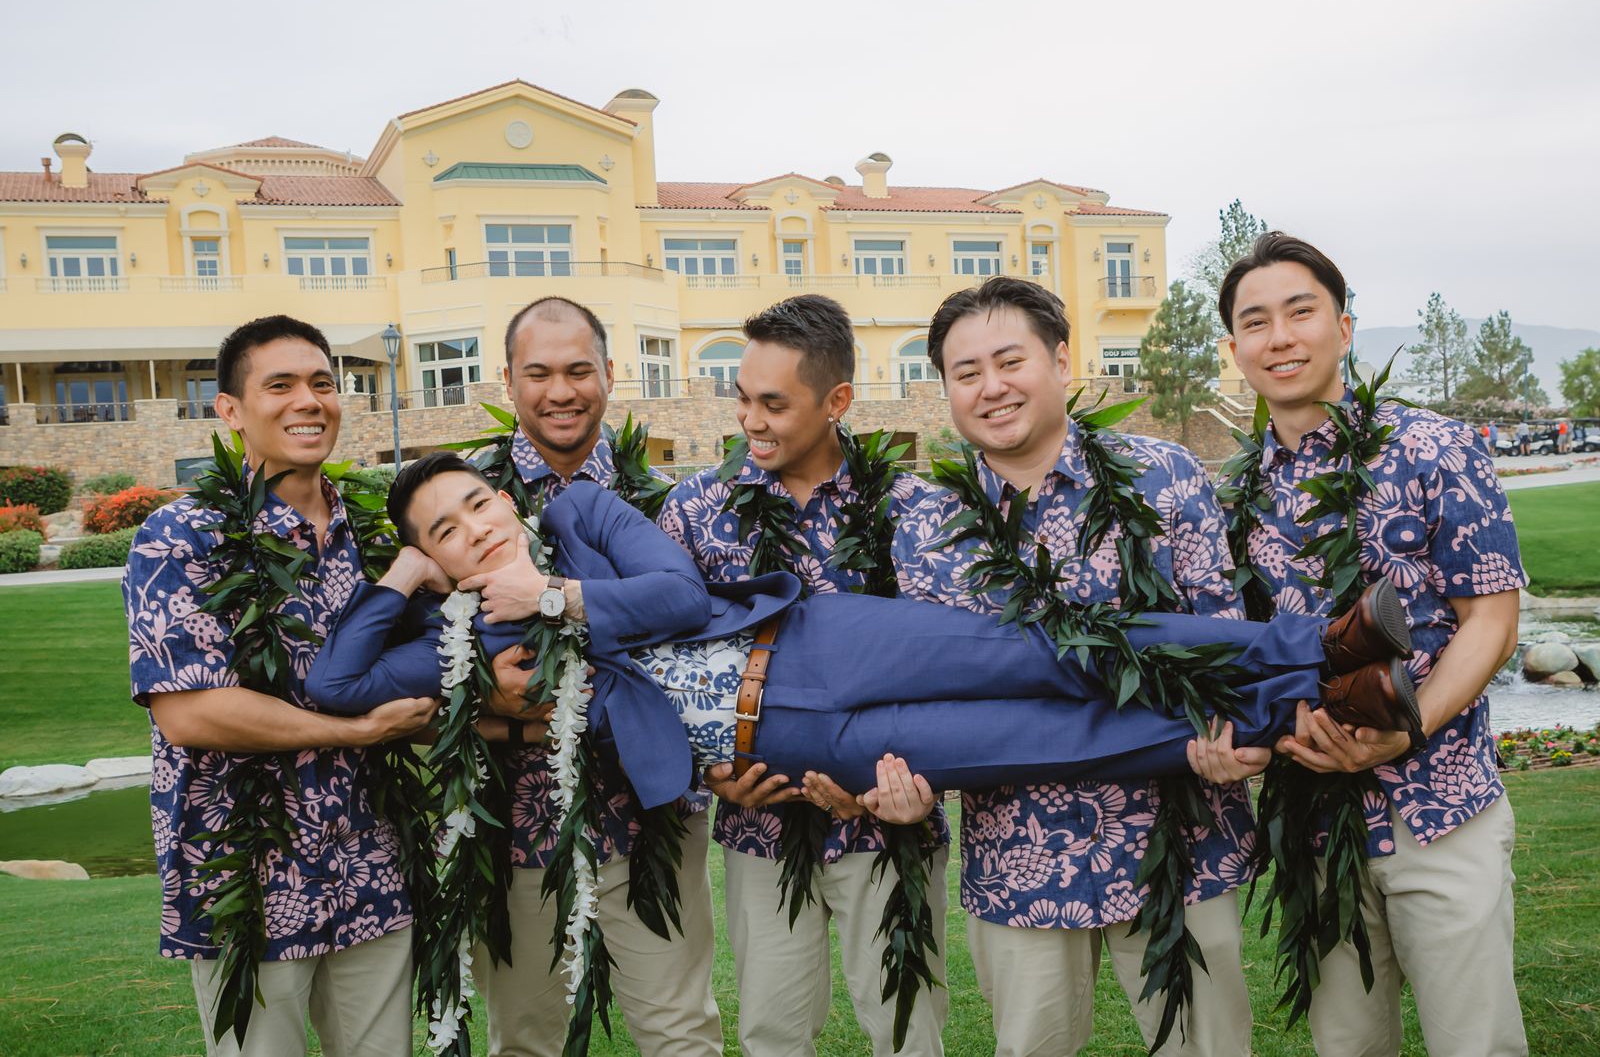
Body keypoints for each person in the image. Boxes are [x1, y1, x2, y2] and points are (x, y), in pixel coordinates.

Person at [305, 454, 1418, 797]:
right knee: (1036, 742)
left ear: (505, 499)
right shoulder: (459, 638)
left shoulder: (580, 515)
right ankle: (1305, 711)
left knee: (1048, 650)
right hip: (789, 742)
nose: (476, 528)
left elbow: (679, 599)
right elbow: (337, 688)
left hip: (817, 642)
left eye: (477, 504)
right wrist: (403, 574)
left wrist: (554, 598)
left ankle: (1311, 647)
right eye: (446, 530)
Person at [888, 276, 1261, 1056]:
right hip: (1018, 849)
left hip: (1177, 836)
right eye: (966, 372)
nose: (991, 387)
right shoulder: (927, 524)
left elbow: (1223, 636)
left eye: (1009, 361)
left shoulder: (1163, 477)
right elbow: (927, 690)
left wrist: (1234, 735)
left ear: (1061, 360)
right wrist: (907, 780)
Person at [1219, 231, 1527, 1056]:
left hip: (1440, 808)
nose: (1280, 337)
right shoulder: (1237, 493)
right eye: (1256, 321)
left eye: (1301, 312)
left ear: (1344, 327)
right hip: (1314, 825)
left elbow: (1492, 621)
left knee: (1476, 1040)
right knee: (1348, 1045)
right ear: (1235, 349)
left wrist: (1408, 725)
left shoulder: (1433, 447)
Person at [122, 315, 436, 1057]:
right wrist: (358, 731)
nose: (309, 401)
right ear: (230, 410)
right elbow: (189, 711)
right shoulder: (181, 536)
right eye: (281, 385)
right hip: (244, 874)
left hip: (368, 859)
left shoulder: (376, 537)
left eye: (323, 383)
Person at [657, 294, 954, 1057]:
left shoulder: (911, 509)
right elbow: (663, 663)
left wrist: (898, 785)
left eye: (773, 403)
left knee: (907, 1032)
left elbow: (945, 667)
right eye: (742, 398)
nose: (749, 420)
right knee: (772, 1031)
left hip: (889, 824)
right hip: (758, 829)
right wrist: (712, 770)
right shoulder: (695, 510)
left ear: (837, 400)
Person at [470, 296, 723, 1057]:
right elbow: (419, 658)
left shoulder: (669, 502)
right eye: (538, 373)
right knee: (524, 1039)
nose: (561, 391)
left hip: (653, 813)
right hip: (515, 821)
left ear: (610, 372)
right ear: (507, 379)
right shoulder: (461, 500)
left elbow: (699, 638)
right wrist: (486, 695)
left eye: (579, 370)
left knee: (680, 1030)